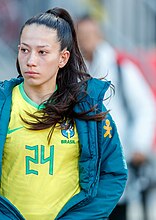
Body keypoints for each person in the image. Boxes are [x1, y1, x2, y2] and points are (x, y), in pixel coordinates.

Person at [0, 7, 127, 220]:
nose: (30, 60)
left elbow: (113, 174)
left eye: (42, 52)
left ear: (63, 58)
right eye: (24, 50)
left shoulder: (87, 105)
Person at [76, 15, 156, 220]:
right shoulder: (74, 70)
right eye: (82, 35)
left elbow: (145, 106)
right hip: (84, 160)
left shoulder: (119, 65)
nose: (87, 39)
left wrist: (139, 145)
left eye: (90, 34)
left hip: (117, 155)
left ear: (100, 34)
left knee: (116, 210)